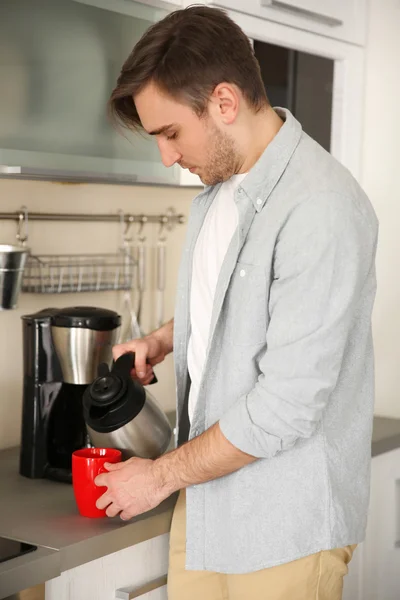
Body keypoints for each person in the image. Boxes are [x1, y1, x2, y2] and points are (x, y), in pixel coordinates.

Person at [94, 6, 379, 599]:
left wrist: (158, 477)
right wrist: (164, 339)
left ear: (224, 102)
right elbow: (239, 305)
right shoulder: (222, 193)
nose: (166, 157)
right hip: (208, 509)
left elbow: (286, 406)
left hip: (284, 527)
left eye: (170, 133)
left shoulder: (320, 206)